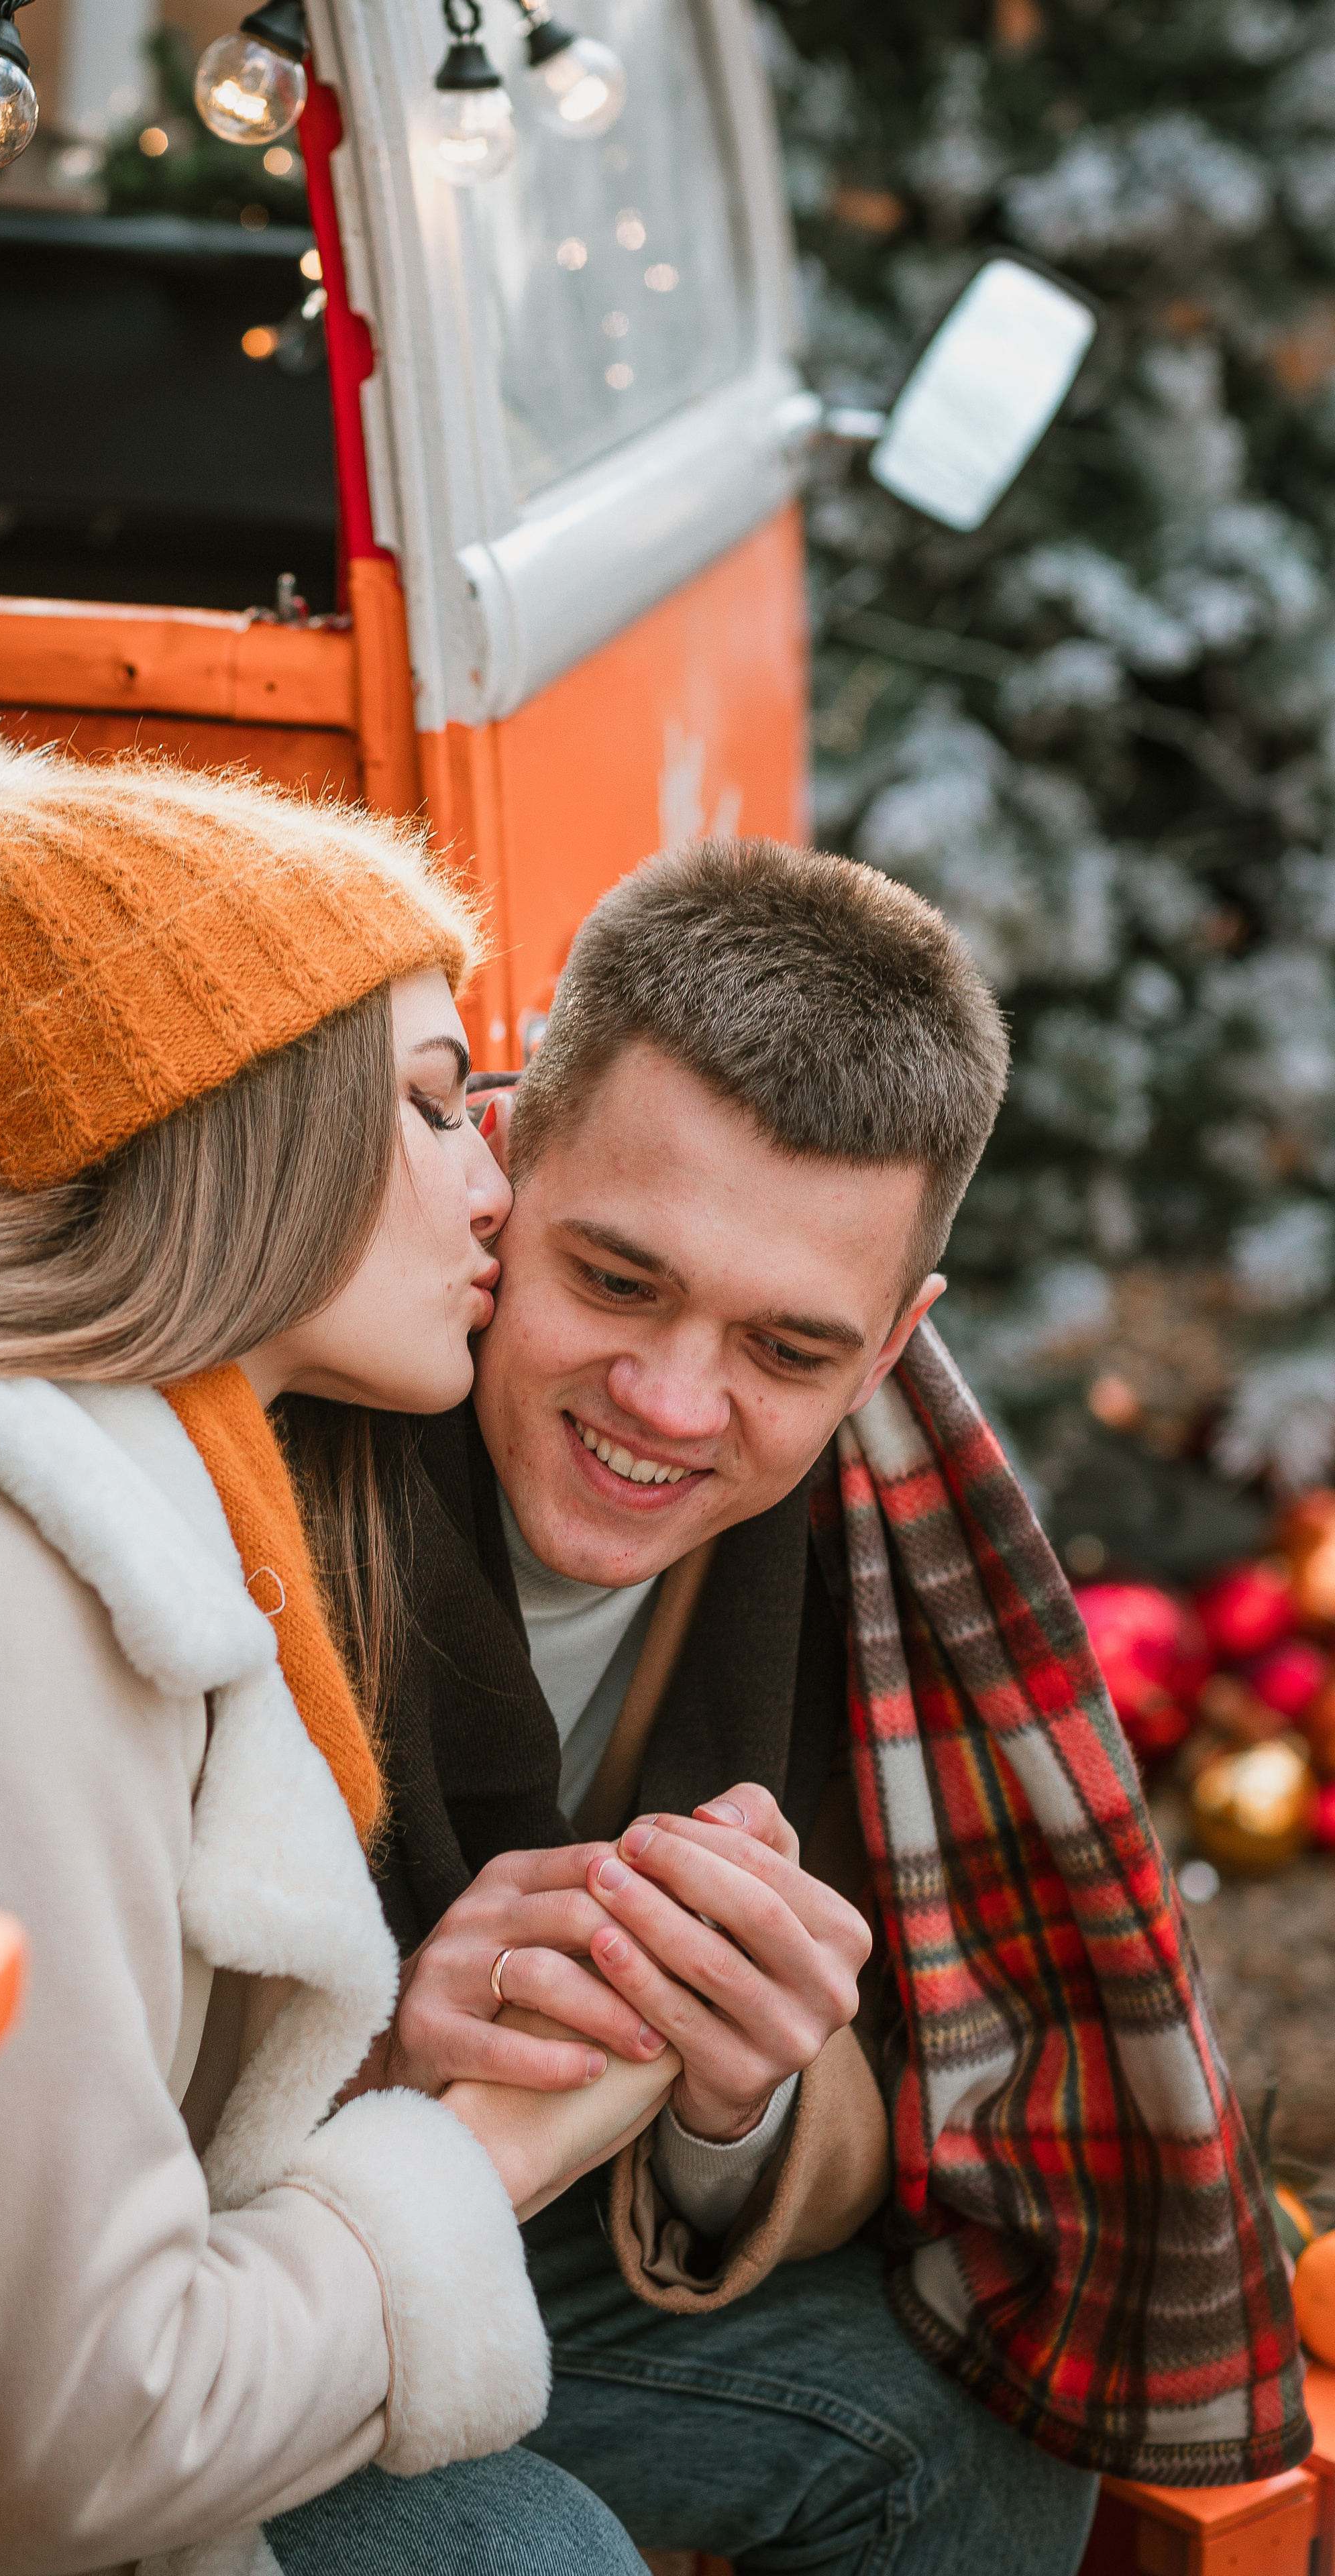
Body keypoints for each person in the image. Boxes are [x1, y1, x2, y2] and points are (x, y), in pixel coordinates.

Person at [270, 835, 1307, 2576]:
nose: (672, 1403)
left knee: (976, 2450)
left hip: (538, 2232)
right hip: (211, 2270)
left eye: (788, 1350)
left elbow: (879, 2109)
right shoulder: (288, 1419)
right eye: (616, 1278)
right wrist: (375, 2052)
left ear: (895, 1344)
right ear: (502, 1169)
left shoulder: (880, 1550)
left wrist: (737, 2105)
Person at [0, 702, 672, 2576]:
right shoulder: (13, 1574)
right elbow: (79, 2436)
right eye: (429, 1096)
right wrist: (498, 2149)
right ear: (235, 1112)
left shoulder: (165, 1494)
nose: (498, 1182)